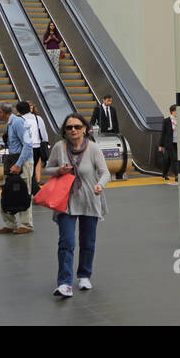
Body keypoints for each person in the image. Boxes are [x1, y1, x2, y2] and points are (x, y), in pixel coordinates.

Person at [44, 114, 110, 297]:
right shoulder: (59, 148)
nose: (73, 130)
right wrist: (58, 170)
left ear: (85, 129)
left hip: (90, 199)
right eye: (69, 127)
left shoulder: (94, 148)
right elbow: (47, 169)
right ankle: (64, 282)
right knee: (67, 242)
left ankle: (84, 275)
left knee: (88, 241)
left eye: (77, 126)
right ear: (64, 131)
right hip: (66, 201)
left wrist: (100, 185)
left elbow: (105, 173)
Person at [0, 101, 34, 234]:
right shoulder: (10, 124)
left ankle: (26, 224)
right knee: (7, 191)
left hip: (22, 161)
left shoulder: (17, 122)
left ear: (3, 113)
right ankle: (10, 223)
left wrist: (18, 164)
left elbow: (28, 144)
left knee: (23, 191)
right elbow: (14, 142)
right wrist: (2, 147)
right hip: (13, 159)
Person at [24, 101, 49, 191]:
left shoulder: (21, 118)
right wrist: (46, 142)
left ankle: (35, 190)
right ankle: (35, 190)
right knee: (30, 169)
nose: (30, 109)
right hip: (35, 147)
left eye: (31, 107)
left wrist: (45, 142)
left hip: (32, 147)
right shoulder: (37, 118)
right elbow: (44, 133)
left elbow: (43, 133)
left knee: (29, 169)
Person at [158, 105, 178, 182]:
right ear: (173, 111)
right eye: (177, 110)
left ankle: (164, 173)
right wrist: (161, 145)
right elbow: (163, 133)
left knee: (169, 160)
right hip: (169, 143)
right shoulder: (167, 121)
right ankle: (177, 175)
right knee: (174, 158)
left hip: (177, 142)